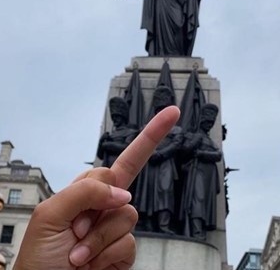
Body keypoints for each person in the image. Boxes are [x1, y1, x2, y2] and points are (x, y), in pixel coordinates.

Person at [12, 105, 180, 270]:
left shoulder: (133, 134)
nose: (116, 119)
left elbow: (128, 146)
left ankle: (160, 222)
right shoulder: (109, 135)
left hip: (154, 169)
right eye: (114, 117)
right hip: (110, 170)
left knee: (152, 197)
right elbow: (101, 153)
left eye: (119, 116)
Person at [133, 86, 183, 235]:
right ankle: (146, 223)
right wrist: (151, 153)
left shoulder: (176, 130)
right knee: (146, 194)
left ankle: (163, 225)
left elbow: (176, 144)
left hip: (166, 163)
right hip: (148, 164)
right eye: (158, 110)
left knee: (165, 192)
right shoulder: (144, 128)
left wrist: (160, 154)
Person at [179, 103, 222, 241]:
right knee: (197, 200)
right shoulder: (193, 136)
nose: (209, 125)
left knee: (205, 204)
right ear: (201, 120)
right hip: (196, 172)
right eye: (207, 122)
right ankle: (196, 232)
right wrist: (195, 143)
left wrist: (202, 153)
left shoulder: (210, 141)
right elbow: (184, 150)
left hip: (209, 174)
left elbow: (218, 155)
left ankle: (201, 231)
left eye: (211, 123)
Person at [97, 97, 138, 168]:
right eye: (113, 117)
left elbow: (127, 148)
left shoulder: (131, 132)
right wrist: (101, 141)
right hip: (107, 167)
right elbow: (100, 156)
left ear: (122, 117)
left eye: (117, 116)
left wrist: (109, 145)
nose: (114, 119)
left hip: (122, 167)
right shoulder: (110, 135)